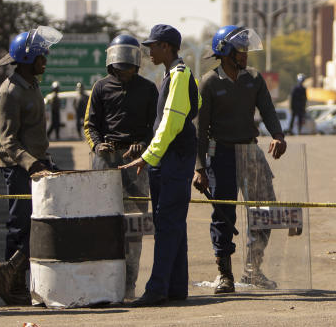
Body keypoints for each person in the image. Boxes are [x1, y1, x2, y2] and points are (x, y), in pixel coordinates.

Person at [192, 26, 287, 293]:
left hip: (251, 151)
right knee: (224, 215)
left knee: (265, 211)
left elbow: (267, 109)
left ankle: (253, 270)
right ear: (224, 52)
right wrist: (199, 168)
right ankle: (225, 274)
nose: (244, 56)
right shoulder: (209, 82)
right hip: (221, 154)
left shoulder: (254, 79)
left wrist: (278, 135)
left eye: (246, 50)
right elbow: (200, 130)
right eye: (239, 50)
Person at [122, 24, 200, 307]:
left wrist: (149, 156)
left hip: (173, 159)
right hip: (171, 157)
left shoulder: (179, 75)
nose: (149, 51)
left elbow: (171, 123)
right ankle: (176, 287)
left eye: (152, 46)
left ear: (166, 47)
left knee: (167, 224)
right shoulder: (173, 75)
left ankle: (157, 289)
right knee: (172, 224)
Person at [0, 26, 63, 305]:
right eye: (42, 57)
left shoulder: (32, 86)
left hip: (37, 165)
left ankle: (16, 274)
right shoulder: (9, 93)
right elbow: (6, 142)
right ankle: (11, 282)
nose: (46, 61)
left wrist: (45, 162)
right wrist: (32, 165)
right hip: (18, 168)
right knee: (20, 225)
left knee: (42, 223)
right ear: (28, 60)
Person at [83, 34, 158, 300]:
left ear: (137, 65)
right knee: (103, 223)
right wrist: (98, 146)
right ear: (112, 64)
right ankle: (103, 284)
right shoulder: (100, 88)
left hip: (136, 163)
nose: (124, 71)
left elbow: (155, 129)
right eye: (120, 66)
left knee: (134, 226)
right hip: (106, 160)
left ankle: (129, 285)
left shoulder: (149, 89)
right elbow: (90, 125)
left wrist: (142, 144)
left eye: (129, 66)